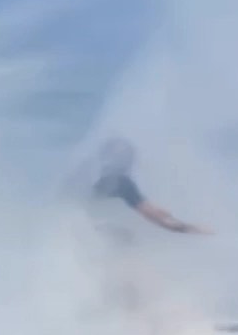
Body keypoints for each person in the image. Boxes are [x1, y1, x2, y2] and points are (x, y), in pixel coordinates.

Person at [77, 136, 211, 319]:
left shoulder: (100, 184)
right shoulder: (121, 183)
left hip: (96, 247)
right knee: (139, 289)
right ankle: (141, 328)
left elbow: (147, 208)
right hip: (114, 248)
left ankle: (111, 324)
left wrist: (163, 213)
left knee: (120, 293)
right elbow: (154, 217)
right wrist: (193, 229)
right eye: (128, 158)